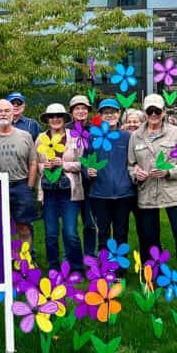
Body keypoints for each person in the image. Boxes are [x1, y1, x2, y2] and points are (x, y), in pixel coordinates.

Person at [128, 94, 177, 284]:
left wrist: (169, 172)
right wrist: (135, 173)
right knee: (149, 239)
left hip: (175, 194)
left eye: (158, 111)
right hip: (147, 194)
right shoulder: (136, 136)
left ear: (164, 112)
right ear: (145, 113)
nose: (154, 114)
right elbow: (130, 165)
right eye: (150, 111)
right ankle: (151, 279)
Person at [0, 99, 38, 255]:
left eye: (7, 110)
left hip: (20, 186)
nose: (3, 114)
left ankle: (26, 263)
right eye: (0, 111)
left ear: (13, 113)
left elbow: (33, 163)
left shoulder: (25, 135)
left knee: (24, 228)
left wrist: (29, 187)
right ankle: (0, 265)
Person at [36, 104, 83, 271]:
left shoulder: (74, 137)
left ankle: (77, 267)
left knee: (70, 233)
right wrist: (45, 166)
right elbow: (36, 164)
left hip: (68, 192)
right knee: (50, 234)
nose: (55, 119)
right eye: (51, 116)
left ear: (64, 119)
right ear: (47, 120)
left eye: (59, 116)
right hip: (49, 192)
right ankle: (54, 268)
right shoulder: (41, 138)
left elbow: (82, 163)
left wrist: (63, 164)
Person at [86, 99, 135, 253]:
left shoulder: (127, 137)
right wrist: (87, 170)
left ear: (119, 114)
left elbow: (134, 161)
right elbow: (85, 161)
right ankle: (104, 271)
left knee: (121, 234)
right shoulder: (92, 137)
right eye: (105, 113)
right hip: (100, 194)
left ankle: (120, 273)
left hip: (123, 194)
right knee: (104, 234)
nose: (110, 115)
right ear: (100, 116)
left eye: (113, 112)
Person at [69, 94, 97, 257]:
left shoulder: (95, 130)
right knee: (70, 226)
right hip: (71, 183)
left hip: (90, 184)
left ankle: (90, 256)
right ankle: (71, 257)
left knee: (90, 223)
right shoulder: (66, 130)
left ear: (88, 111)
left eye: (83, 108)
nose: (80, 111)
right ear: (71, 111)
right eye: (77, 108)